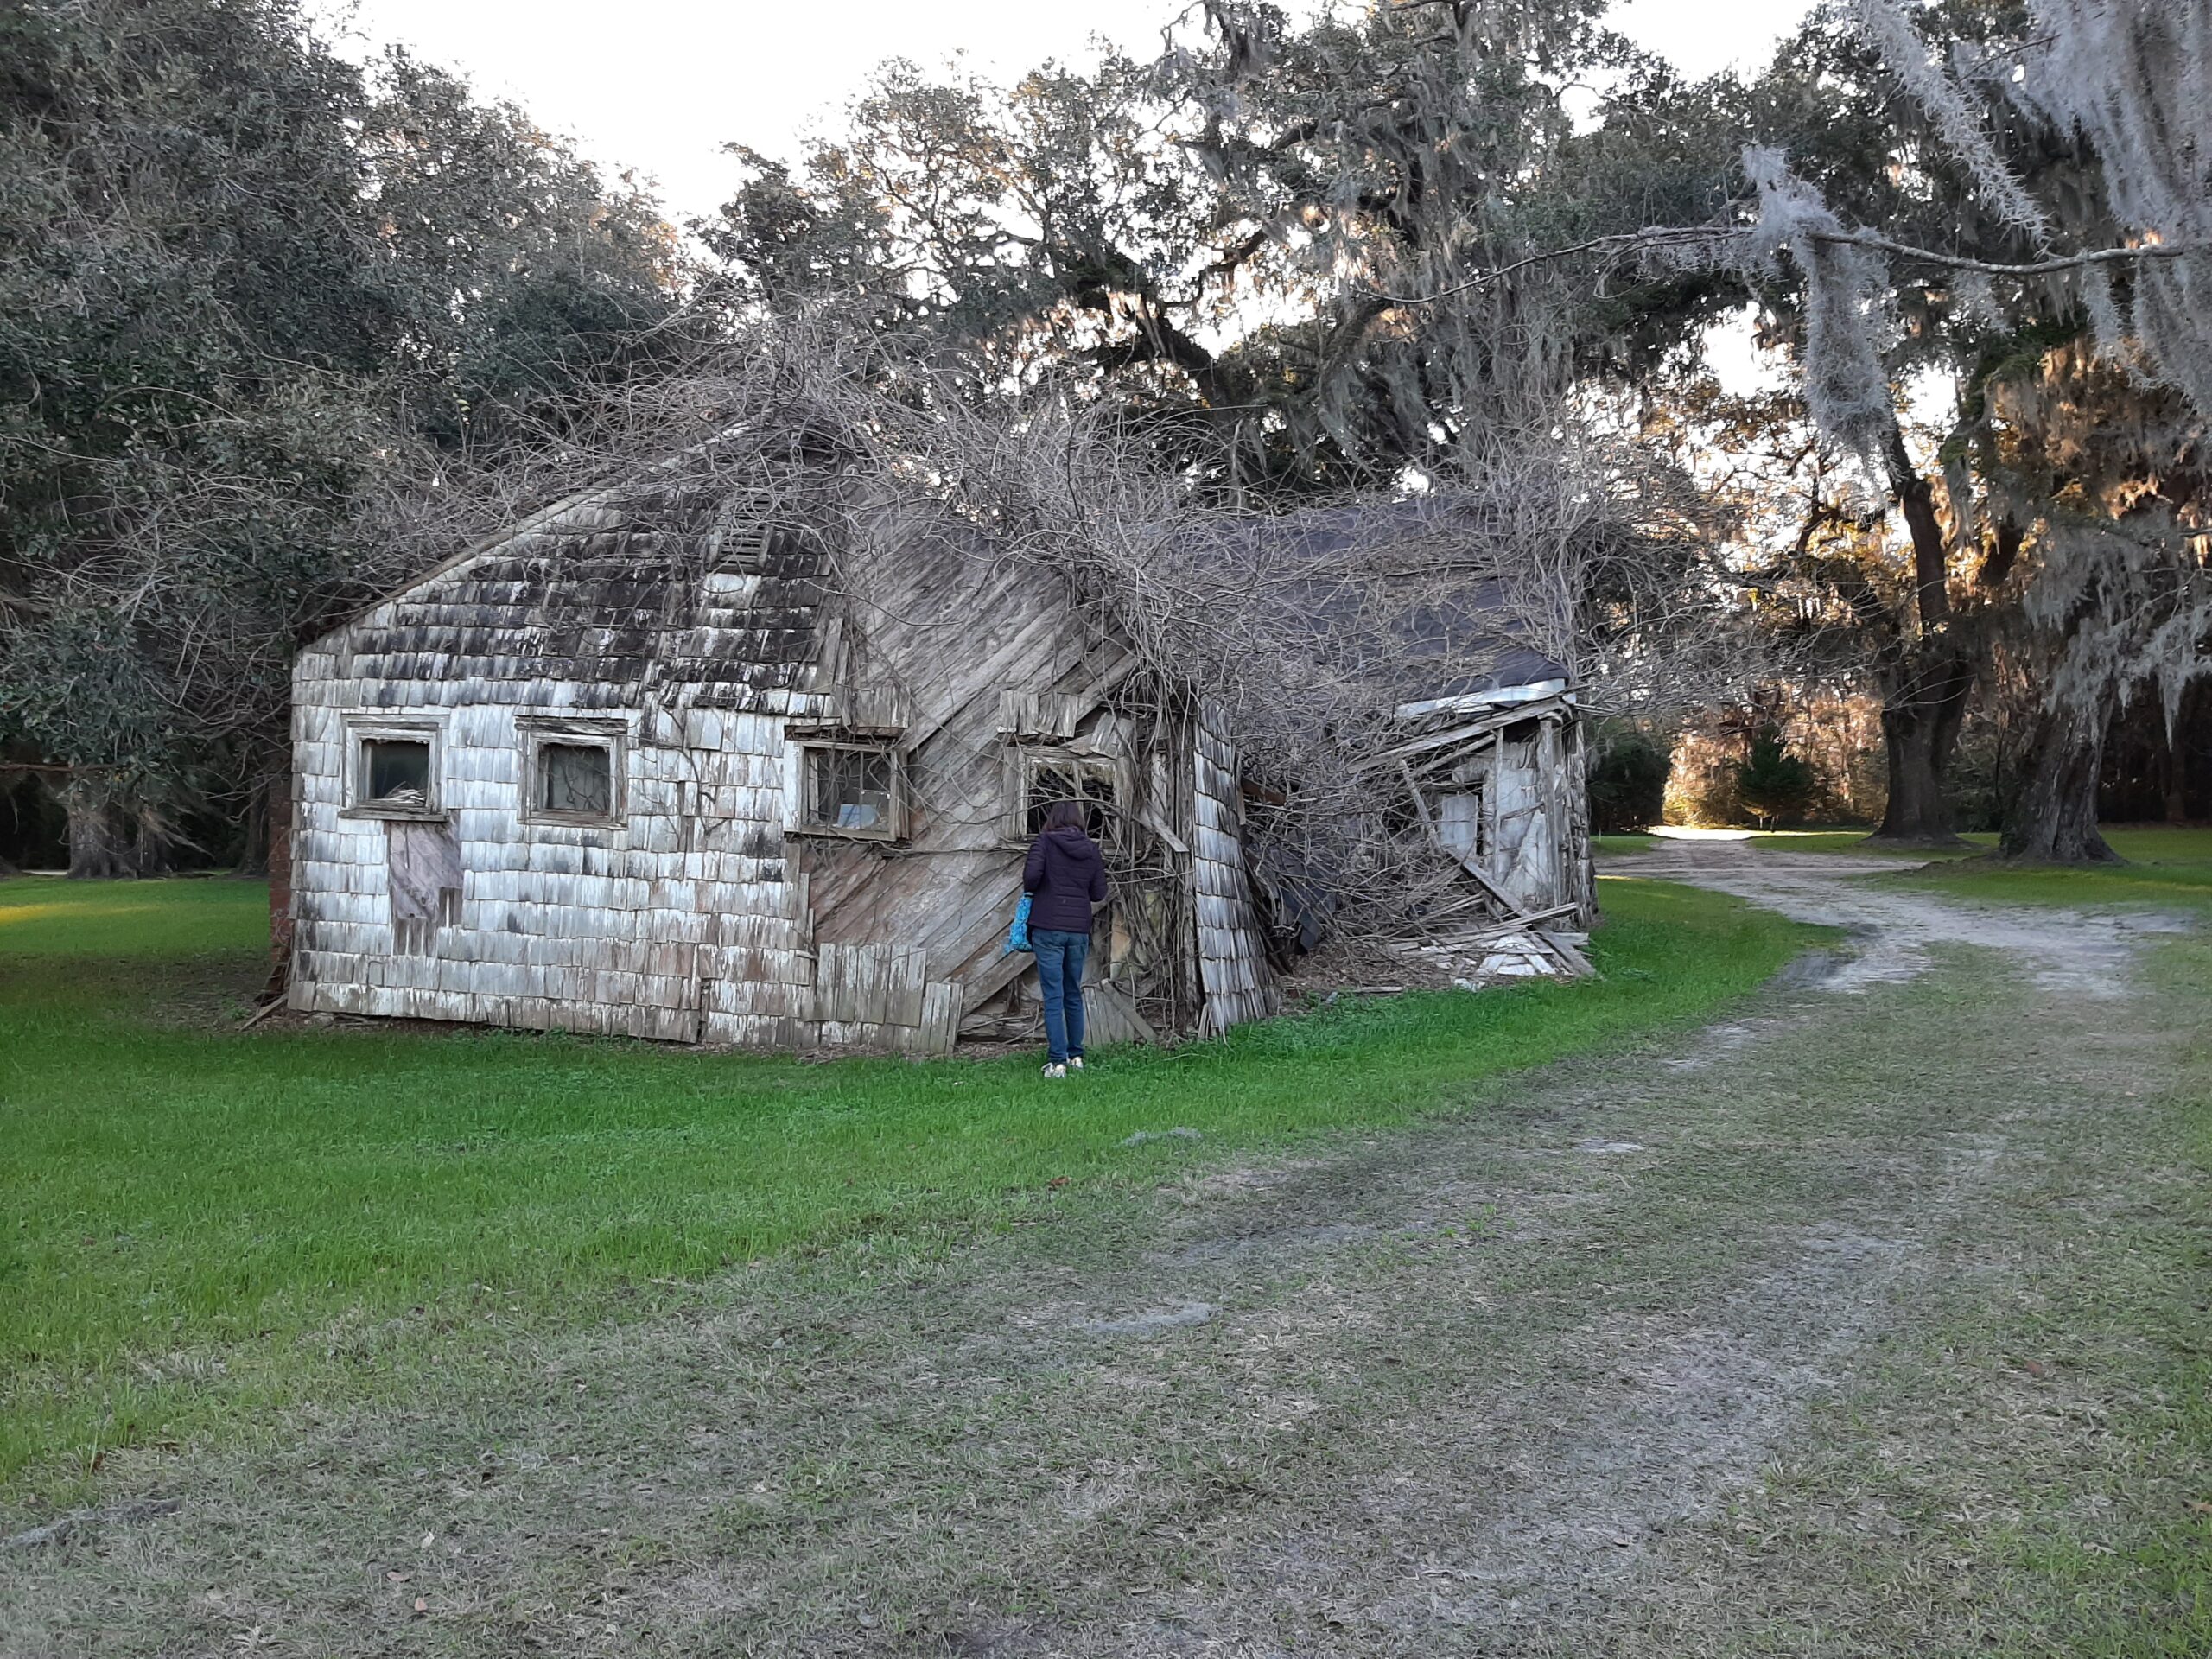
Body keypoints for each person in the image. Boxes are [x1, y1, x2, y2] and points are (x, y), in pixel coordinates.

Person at [1022, 799, 1109, 1079]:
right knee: (1073, 992)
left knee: (1053, 995)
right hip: (1078, 930)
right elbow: (1098, 893)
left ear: (1053, 819)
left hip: (1048, 927)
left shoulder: (1044, 842)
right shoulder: (1091, 849)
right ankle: (1076, 1056)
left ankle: (1057, 1062)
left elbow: (1031, 880)